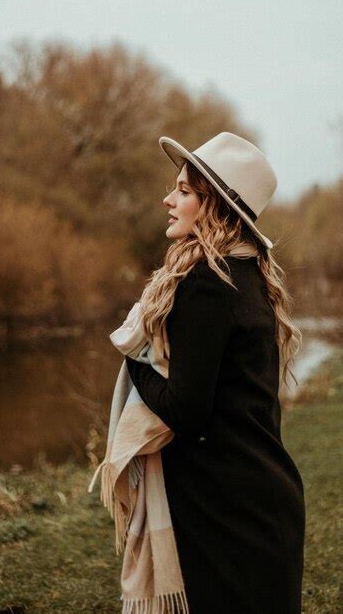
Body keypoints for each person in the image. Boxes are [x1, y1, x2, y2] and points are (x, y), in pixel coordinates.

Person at [124, 132, 306, 614]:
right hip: (259, 498)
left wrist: (134, 356)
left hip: (229, 512)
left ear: (215, 207)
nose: (169, 198)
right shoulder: (247, 276)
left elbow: (187, 411)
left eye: (183, 191)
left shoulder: (208, 283)